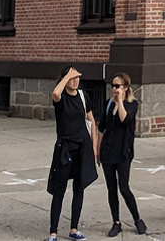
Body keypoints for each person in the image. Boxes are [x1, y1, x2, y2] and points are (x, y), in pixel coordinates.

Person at [45, 67, 99, 241]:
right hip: (65, 148)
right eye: (71, 78)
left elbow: (91, 121)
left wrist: (94, 147)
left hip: (82, 147)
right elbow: (55, 93)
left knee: (79, 188)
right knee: (59, 189)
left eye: (77, 78)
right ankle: (53, 232)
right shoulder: (61, 99)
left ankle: (74, 229)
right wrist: (66, 76)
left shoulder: (83, 96)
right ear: (64, 79)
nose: (75, 81)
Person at [99, 73, 145, 235]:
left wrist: (120, 101)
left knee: (124, 187)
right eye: (113, 86)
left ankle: (137, 219)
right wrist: (97, 149)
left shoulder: (132, 104)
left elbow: (125, 120)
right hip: (108, 151)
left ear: (125, 87)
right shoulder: (108, 104)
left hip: (123, 152)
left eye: (117, 86)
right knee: (111, 189)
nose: (114, 89)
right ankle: (116, 222)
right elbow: (102, 128)